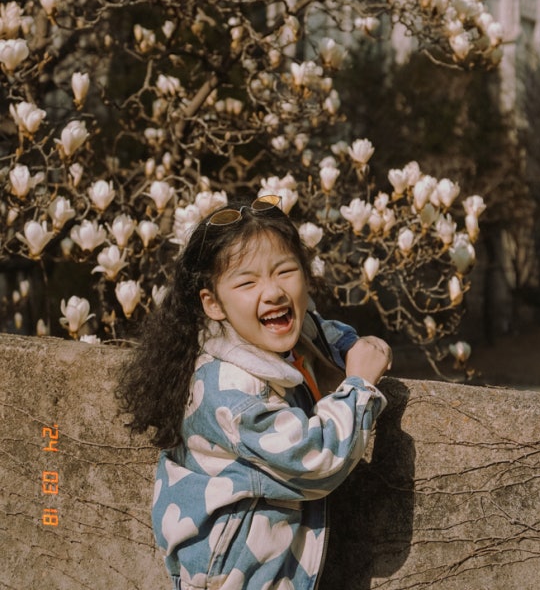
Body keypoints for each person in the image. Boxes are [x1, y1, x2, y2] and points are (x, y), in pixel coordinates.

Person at [117, 194, 392, 590]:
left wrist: (352, 348)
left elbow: (319, 329)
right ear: (213, 304)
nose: (274, 291)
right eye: (247, 282)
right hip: (233, 578)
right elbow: (316, 461)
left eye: (285, 271)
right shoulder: (231, 391)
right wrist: (359, 387)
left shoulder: (277, 336)